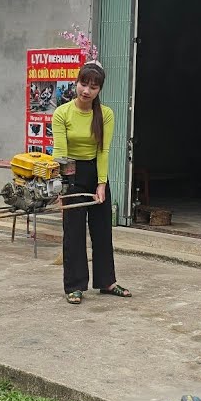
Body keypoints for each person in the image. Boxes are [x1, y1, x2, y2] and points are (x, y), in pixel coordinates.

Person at [52, 62, 128, 304]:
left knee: (103, 229)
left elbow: (104, 151)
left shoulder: (105, 114)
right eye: (83, 84)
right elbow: (60, 152)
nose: (86, 91)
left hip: (96, 172)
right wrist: (60, 184)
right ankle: (74, 286)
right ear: (76, 83)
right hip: (71, 173)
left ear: (99, 90)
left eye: (93, 87)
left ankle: (107, 282)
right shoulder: (62, 113)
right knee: (73, 232)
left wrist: (102, 183)